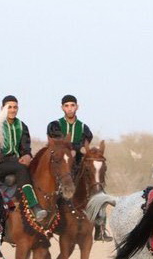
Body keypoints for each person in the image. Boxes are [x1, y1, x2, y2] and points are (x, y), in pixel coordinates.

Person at [46, 95, 111, 241]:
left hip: (78, 164)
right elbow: (59, 143)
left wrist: (78, 150)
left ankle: (100, 228)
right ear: (62, 108)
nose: (70, 108)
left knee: (98, 190)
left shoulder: (84, 128)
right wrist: (73, 149)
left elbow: (84, 146)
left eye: (72, 105)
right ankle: (48, 223)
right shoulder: (54, 125)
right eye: (66, 106)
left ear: (77, 107)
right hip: (60, 164)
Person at [0, 95, 47, 221]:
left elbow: (25, 147)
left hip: (16, 162)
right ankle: (34, 206)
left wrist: (27, 155)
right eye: (9, 107)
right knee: (21, 169)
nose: (12, 110)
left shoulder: (21, 125)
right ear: (2, 109)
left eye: (15, 107)